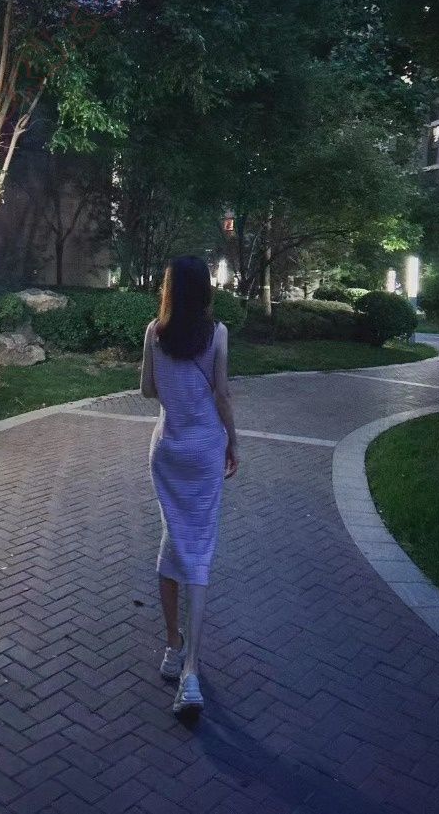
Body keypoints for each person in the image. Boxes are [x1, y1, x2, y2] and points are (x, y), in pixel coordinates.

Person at [140, 255, 239, 715]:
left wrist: (175, 388)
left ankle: (171, 646)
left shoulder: (154, 333)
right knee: (197, 553)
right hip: (203, 454)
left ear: (169, 289)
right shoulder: (217, 334)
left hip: (168, 451)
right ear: (205, 290)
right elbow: (222, 395)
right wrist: (233, 442)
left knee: (171, 539)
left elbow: (147, 390)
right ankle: (192, 673)